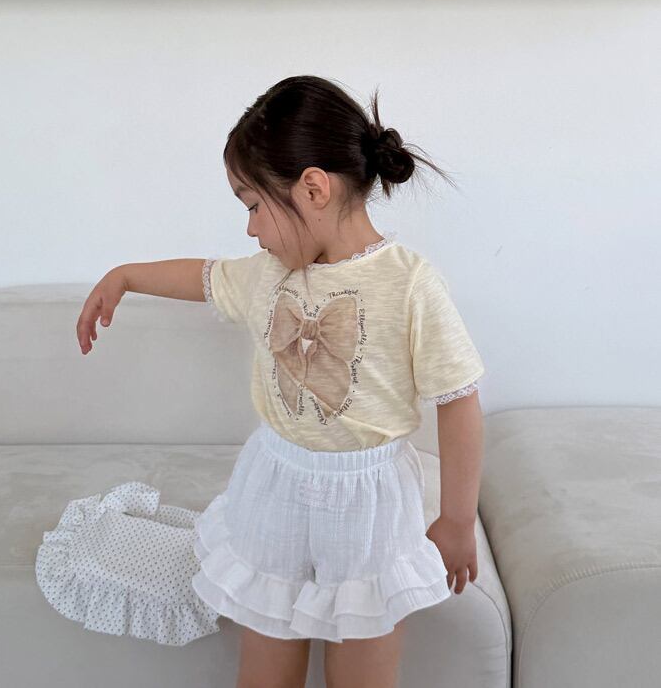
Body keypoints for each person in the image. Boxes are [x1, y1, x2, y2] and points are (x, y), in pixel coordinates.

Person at [76, 75, 485, 688]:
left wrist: (456, 519)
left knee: (364, 677)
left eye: (252, 205)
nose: (250, 229)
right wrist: (126, 275)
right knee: (264, 672)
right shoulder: (269, 273)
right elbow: (203, 276)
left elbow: (458, 400)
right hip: (275, 492)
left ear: (313, 188)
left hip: (368, 510)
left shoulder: (409, 284)